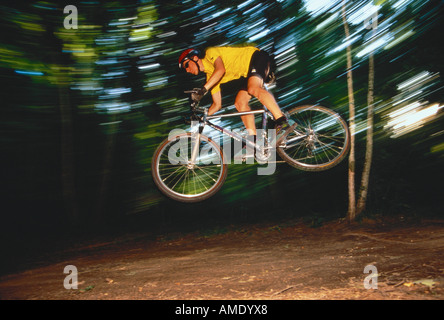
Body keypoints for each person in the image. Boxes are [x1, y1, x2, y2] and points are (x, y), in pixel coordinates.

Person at [178, 46, 291, 146]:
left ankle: (281, 121)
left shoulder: (210, 53)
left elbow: (220, 70)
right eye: (185, 69)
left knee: (253, 88)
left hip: (256, 58)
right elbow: (217, 105)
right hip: (248, 73)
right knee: (239, 103)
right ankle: (254, 139)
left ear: (195, 58)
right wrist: (201, 119)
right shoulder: (211, 77)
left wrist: (202, 91)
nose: (187, 70)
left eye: (186, 65)